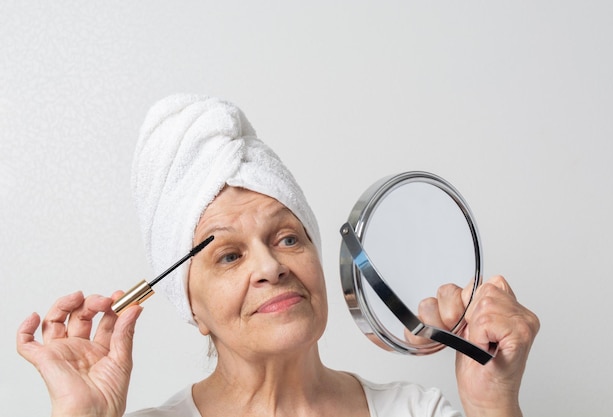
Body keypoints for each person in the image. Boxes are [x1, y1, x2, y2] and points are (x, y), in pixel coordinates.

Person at [16, 94, 540, 417]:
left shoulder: (417, 412)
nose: (271, 267)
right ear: (190, 306)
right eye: (227, 256)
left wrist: (492, 403)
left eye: (289, 237)